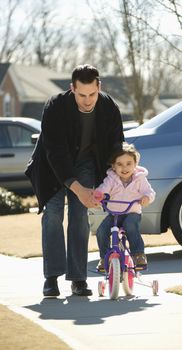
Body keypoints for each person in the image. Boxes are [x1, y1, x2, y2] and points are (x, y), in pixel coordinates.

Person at [25, 64, 124, 297]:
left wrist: (118, 176)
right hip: (52, 166)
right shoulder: (55, 106)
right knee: (53, 215)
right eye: (82, 95)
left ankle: (78, 279)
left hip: (86, 164)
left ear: (99, 86)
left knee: (80, 216)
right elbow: (55, 152)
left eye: (92, 94)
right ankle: (51, 278)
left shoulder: (109, 106)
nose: (88, 100)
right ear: (72, 89)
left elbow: (116, 144)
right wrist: (77, 188)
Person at [94, 142, 155, 271]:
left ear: (135, 164)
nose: (124, 168)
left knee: (130, 225)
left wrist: (146, 198)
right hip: (114, 214)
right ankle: (105, 258)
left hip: (132, 212)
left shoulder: (140, 178)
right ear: (113, 166)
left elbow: (149, 192)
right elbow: (103, 189)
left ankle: (138, 255)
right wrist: (99, 196)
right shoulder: (111, 178)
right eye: (119, 164)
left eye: (129, 163)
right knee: (101, 231)